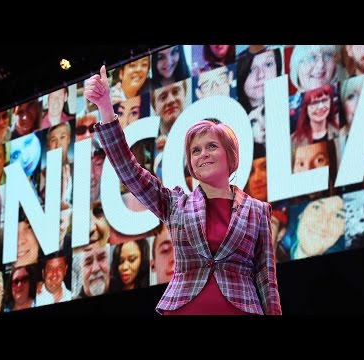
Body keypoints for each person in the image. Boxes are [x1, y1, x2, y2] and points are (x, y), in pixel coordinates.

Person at [85, 66, 281, 315]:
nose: (203, 154)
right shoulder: (176, 204)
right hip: (185, 308)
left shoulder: (258, 211)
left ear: (231, 156)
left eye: (211, 146)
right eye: (195, 151)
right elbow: (129, 171)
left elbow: (266, 279)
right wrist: (105, 107)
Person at [150, 80, 188, 180]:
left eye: (176, 92)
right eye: (163, 97)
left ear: (185, 95)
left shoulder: (202, 135)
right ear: (154, 107)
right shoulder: (147, 149)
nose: (171, 100)